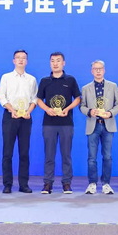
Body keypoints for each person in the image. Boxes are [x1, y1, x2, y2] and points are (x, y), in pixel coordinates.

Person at [36, 52, 81, 194]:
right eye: (52, 61)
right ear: (50, 63)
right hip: (49, 123)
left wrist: (67, 109)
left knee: (66, 154)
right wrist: (47, 109)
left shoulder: (70, 80)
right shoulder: (44, 81)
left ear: (63, 63)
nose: (55, 63)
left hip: (66, 123)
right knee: (49, 155)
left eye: (58, 61)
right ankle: (47, 183)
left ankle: (66, 183)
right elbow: (38, 99)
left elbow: (78, 98)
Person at [0, 49, 38, 193]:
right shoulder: (6, 77)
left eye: (23, 58)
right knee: (7, 152)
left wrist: (29, 111)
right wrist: (11, 110)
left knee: (24, 152)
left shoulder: (32, 79)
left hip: (25, 117)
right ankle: (7, 184)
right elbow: (2, 96)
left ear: (27, 61)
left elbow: (34, 98)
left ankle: (24, 184)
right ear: (13, 60)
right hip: (10, 116)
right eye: (18, 57)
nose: (21, 60)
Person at [80, 60, 118, 195]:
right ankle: (92, 183)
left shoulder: (112, 86)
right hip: (93, 125)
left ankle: (106, 184)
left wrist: (110, 113)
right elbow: (82, 106)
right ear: (91, 71)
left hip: (107, 125)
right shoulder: (86, 88)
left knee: (107, 156)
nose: (98, 71)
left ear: (104, 70)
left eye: (100, 69)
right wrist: (89, 111)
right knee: (91, 157)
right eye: (95, 69)